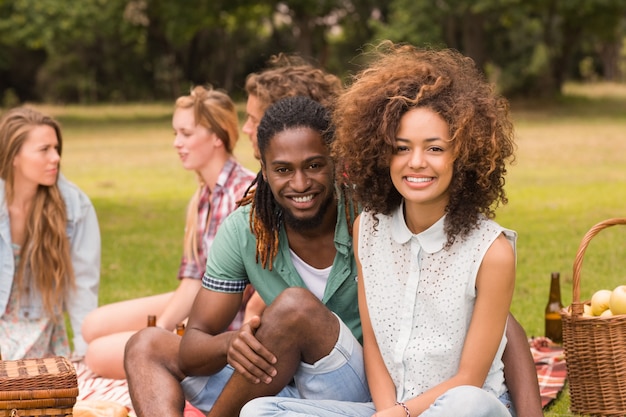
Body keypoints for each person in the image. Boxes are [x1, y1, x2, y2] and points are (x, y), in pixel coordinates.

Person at [243, 43, 521, 417]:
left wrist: (399, 414)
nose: (416, 163)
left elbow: (470, 378)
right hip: (388, 409)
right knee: (259, 411)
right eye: (402, 148)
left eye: (435, 149)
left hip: (464, 407)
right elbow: (372, 344)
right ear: (382, 151)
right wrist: (390, 410)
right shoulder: (367, 231)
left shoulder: (492, 251)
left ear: (462, 154)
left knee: (466, 402)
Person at [81, 86, 255, 379]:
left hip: (222, 327)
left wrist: (168, 334)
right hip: (200, 303)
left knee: (96, 355)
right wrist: (160, 328)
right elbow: (192, 281)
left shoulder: (243, 195)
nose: (177, 143)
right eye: (175, 133)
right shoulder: (204, 196)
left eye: (186, 134)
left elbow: (237, 294)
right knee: (92, 325)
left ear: (217, 136)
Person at [0, 106, 100, 360]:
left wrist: (84, 348)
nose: (55, 157)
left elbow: (83, 282)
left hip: (36, 327)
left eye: (56, 149)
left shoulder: (75, 207)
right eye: (44, 150)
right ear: (13, 156)